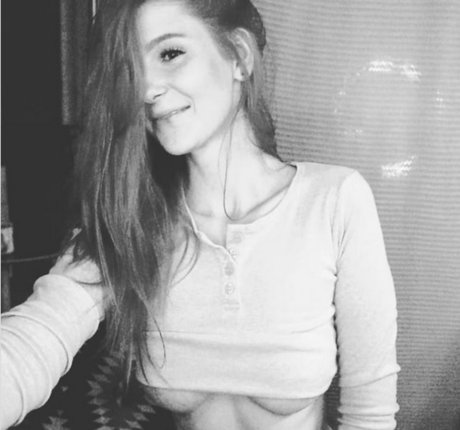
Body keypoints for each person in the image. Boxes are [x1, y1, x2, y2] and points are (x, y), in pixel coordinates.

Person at [0, 0, 400, 429]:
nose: (145, 89)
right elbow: (36, 337)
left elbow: (369, 414)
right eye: (130, 70)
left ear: (239, 57)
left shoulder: (334, 201)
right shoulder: (132, 219)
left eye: (170, 53)